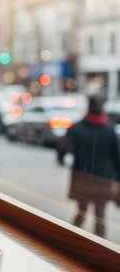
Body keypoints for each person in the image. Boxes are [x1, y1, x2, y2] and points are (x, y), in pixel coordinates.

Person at [64, 95, 120, 237]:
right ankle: (99, 248)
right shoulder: (109, 130)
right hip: (103, 179)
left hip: (82, 177)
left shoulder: (77, 128)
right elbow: (117, 158)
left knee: (81, 212)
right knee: (100, 216)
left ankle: (69, 241)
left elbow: (63, 148)